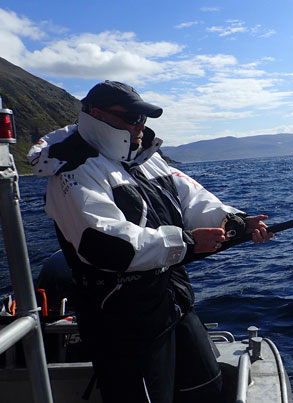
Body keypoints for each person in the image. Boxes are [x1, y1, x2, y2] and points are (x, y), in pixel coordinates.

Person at [27, 80, 272, 402]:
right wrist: (185, 242)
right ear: (97, 115)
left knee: (206, 388)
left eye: (143, 119)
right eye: (131, 117)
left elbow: (192, 199)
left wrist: (232, 220)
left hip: (171, 298)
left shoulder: (146, 156)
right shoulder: (72, 171)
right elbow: (104, 243)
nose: (139, 125)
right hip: (120, 316)